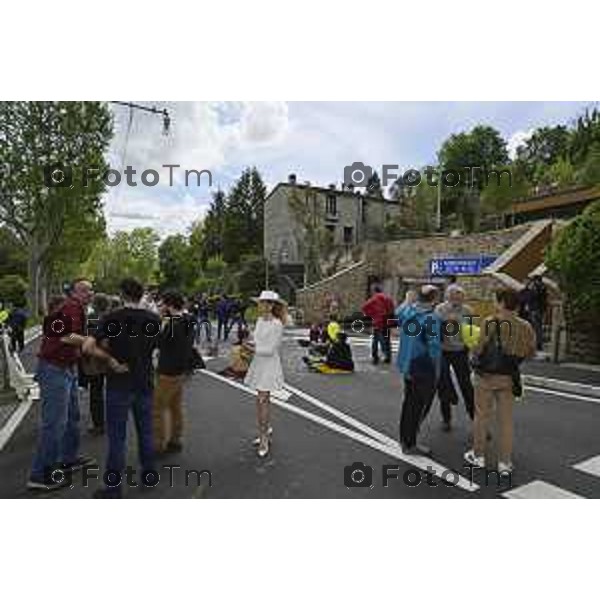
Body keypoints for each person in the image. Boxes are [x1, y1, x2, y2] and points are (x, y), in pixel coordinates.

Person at [27, 279, 127, 491]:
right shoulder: (70, 307)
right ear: (73, 292)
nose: (90, 292)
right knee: (54, 423)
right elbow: (64, 336)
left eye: (91, 289)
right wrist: (94, 345)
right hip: (55, 369)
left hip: (67, 368)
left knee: (72, 417)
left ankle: (67, 459)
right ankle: (40, 475)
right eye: (84, 289)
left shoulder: (76, 308)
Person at [83, 278, 162, 498]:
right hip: (144, 381)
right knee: (145, 432)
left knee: (117, 438)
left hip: (119, 384)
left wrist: (111, 361)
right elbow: (157, 349)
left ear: (122, 294)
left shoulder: (111, 318)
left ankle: (114, 488)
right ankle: (149, 475)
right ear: (140, 295)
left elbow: (87, 346)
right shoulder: (153, 319)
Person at [464, 288, 536, 473]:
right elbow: (530, 353)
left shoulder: (490, 322)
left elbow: (478, 349)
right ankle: (504, 462)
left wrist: (472, 348)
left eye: (496, 300)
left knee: (482, 416)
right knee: (506, 421)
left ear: (502, 302)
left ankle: (478, 455)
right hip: (509, 376)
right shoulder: (525, 326)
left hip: (486, 377)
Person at [395, 284, 442, 455]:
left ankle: (406, 438)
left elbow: (397, 315)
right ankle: (410, 443)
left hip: (407, 364)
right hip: (421, 367)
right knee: (418, 405)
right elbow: (434, 348)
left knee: (409, 403)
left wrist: (407, 300)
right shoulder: (431, 318)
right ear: (434, 299)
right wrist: (437, 371)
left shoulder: (408, 311)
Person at [244, 290, 286, 458]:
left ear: (270, 305)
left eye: (263, 303)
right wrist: (249, 340)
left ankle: (263, 438)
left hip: (269, 366)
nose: (259, 306)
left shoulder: (277, 324)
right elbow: (257, 340)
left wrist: (252, 348)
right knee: (262, 400)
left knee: (262, 399)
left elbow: (270, 350)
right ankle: (265, 428)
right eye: (260, 302)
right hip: (258, 364)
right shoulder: (260, 320)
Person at [434, 284, 475, 431]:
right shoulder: (440, 310)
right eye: (454, 297)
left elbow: (471, 333)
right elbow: (435, 331)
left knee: (467, 387)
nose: (457, 300)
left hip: (460, 351)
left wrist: (471, 352)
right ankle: (446, 419)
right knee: (443, 383)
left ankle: (476, 421)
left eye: (460, 297)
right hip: (443, 351)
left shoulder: (468, 311)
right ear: (448, 297)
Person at [81, 292, 112, 436]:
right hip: (112, 358)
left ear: (94, 304)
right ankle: (114, 420)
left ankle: (99, 424)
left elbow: (86, 339)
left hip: (94, 359)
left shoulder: (90, 318)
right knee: (114, 391)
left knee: (96, 392)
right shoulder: (113, 318)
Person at [362, 284, 395, 365]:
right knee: (386, 340)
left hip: (378, 322)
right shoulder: (388, 298)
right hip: (386, 322)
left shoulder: (374, 299)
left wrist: (371, 315)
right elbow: (392, 309)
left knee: (376, 340)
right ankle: (388, 356)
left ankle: (375, 357)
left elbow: (364, 307)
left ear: (374, 291)